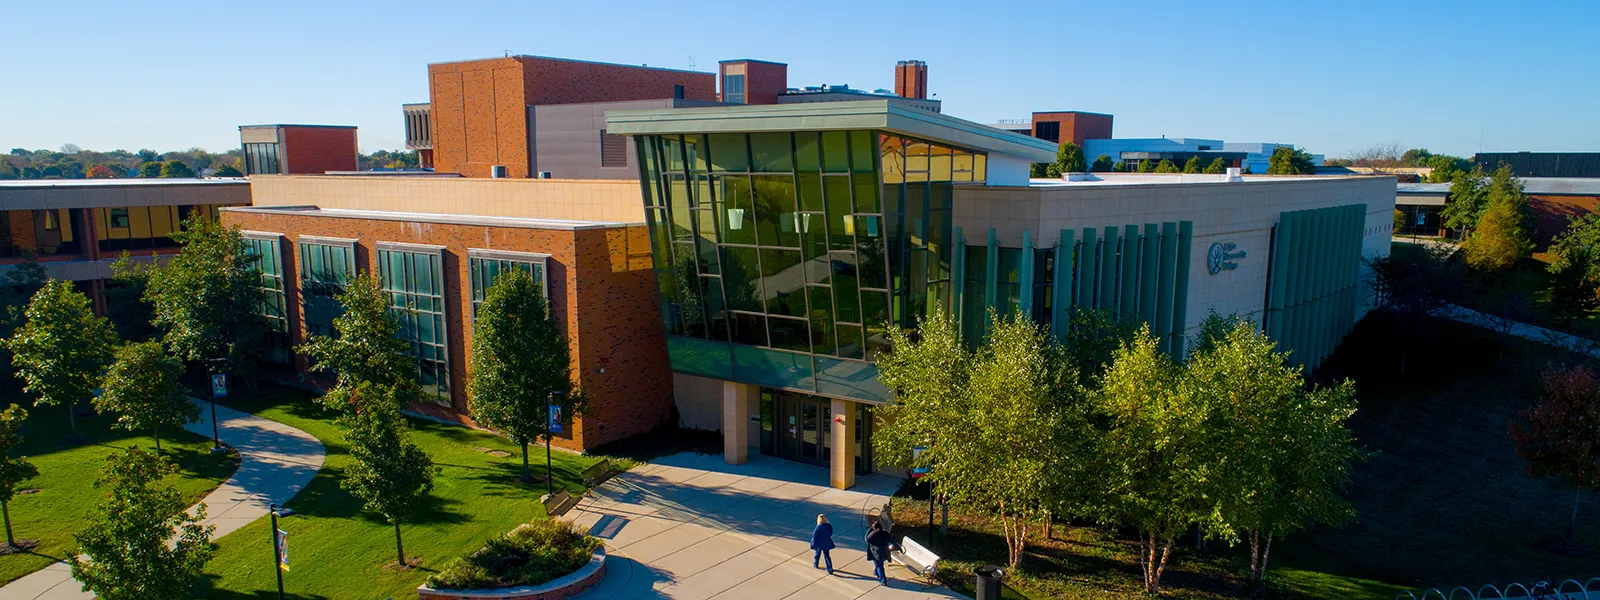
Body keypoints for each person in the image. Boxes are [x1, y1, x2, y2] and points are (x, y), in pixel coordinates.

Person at [865, 520, 897, 585]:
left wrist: (870, 529)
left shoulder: (873, 534)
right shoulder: (885, 533)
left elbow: (866, 539)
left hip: (876, 553)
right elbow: (892, 540)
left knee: (879, 565)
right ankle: (876, 572)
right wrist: (899, 548)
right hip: (884, 552)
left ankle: (883, 580)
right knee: (879, 564)